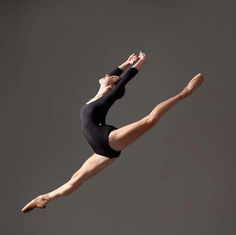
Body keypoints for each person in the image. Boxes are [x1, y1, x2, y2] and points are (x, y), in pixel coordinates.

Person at [21, 51, 204, 213]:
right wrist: (126, 62)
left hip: (107, 138)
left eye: (109, 78)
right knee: (75, 179)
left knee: (150, 120)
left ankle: (184, 93)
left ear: (111, 85)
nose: (105, 76)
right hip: (100, 150)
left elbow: (124, 79)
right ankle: (44, 197)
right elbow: (114, 74)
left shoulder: (107, 96)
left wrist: (140, 62)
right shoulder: (97, 95)